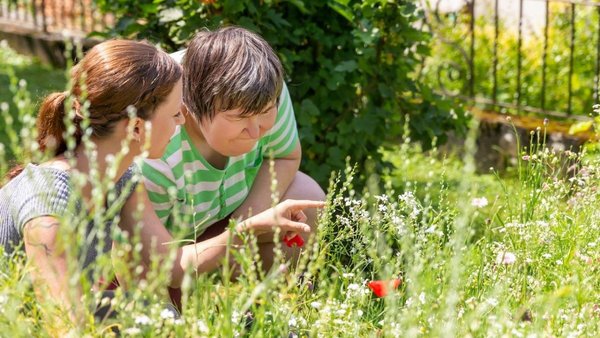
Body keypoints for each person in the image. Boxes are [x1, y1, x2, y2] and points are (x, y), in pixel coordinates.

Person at [0, 39, 323, 329]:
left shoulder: (121, 180)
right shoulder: (50, 202)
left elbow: (174, 266)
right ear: (137, 128)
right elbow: (64, 323)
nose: (183, 122)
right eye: (175, 114)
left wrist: (249, 229)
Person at [142, 26, 326, 270]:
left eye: (265, 112)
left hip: (229, 215)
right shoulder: (157, 137)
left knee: (307, 196)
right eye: (239, 117)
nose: (255, 131)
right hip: (162, 247)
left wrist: (245, 226)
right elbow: (151, 258)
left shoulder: (262, 86)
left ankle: (264, 298)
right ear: (191, 105)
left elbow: (284, 156)